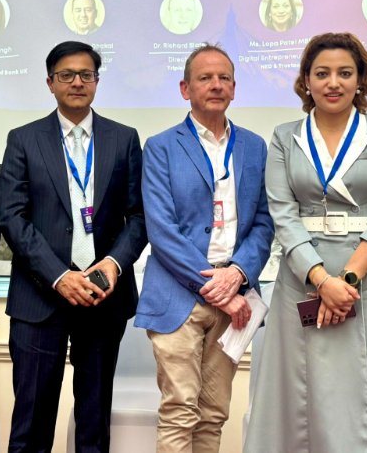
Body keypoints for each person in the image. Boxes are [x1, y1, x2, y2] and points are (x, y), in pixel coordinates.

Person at [243, 32, 367, 452]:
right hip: (303, 280)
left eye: (345, 73)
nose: (333, 83)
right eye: (322, 73)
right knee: (302, 397)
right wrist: (321, 281)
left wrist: (346, 281)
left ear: (360, 79)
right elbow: (283, 215)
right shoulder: (285, 137)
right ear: (306, 81)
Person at [0, 40, 147, 452]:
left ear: (97, 81)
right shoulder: (23, 139)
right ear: (50, 83)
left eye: (86, 74)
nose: (77, 82)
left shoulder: (124, 138)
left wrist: (113, 264)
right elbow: (12, 218)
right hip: (39, 297)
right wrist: (59, 276)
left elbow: (139, 217)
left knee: (94, 421)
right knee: (31, 420)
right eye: (67, 75)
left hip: (103, 296)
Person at [135, 45, 274, 452]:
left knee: (213, 414)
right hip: (178, 297)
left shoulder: (254, 147)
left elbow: (263, 222)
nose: (216, 85)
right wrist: (215, 288)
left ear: (234, 88)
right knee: (180, 410)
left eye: (224, 78)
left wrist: (237, 275)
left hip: (236, 297)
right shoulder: (161, 146)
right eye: (205, 78)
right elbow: (162, 230)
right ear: (185, 89)